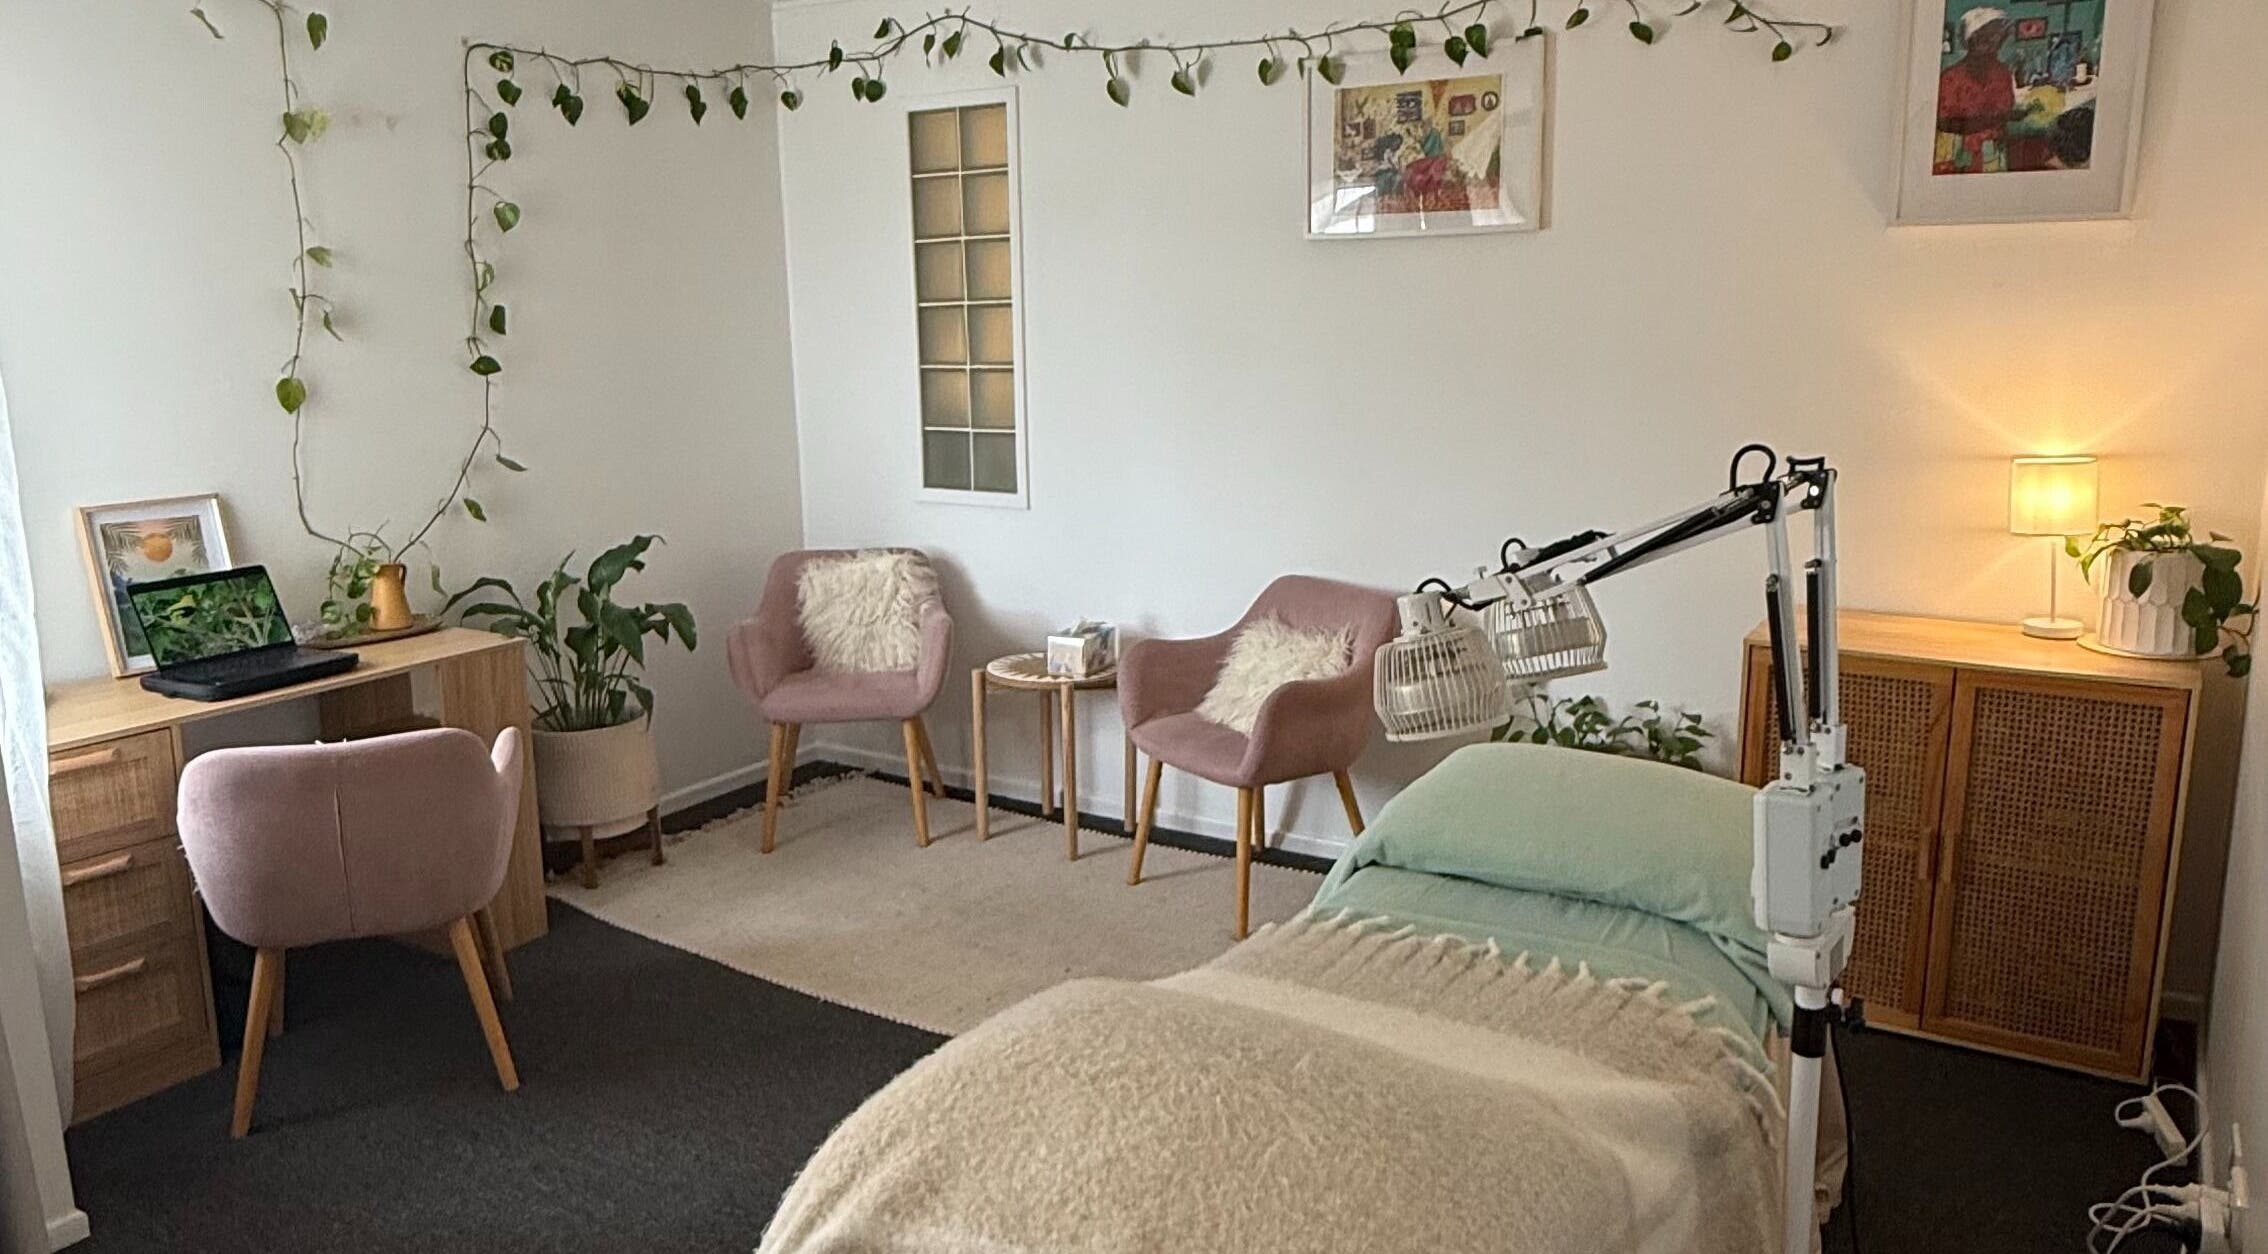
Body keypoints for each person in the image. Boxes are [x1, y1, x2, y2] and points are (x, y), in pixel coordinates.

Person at [1935, 8, 2018, 175]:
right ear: (1971, 40)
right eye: (1987, 37)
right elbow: (1944, 124)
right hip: (1955, 156)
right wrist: (1994, 120)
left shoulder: (2002, 73)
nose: (1994, 43)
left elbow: (2005, 110)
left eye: (1998, 37)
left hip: (1992, 152)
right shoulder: (1951, 77)